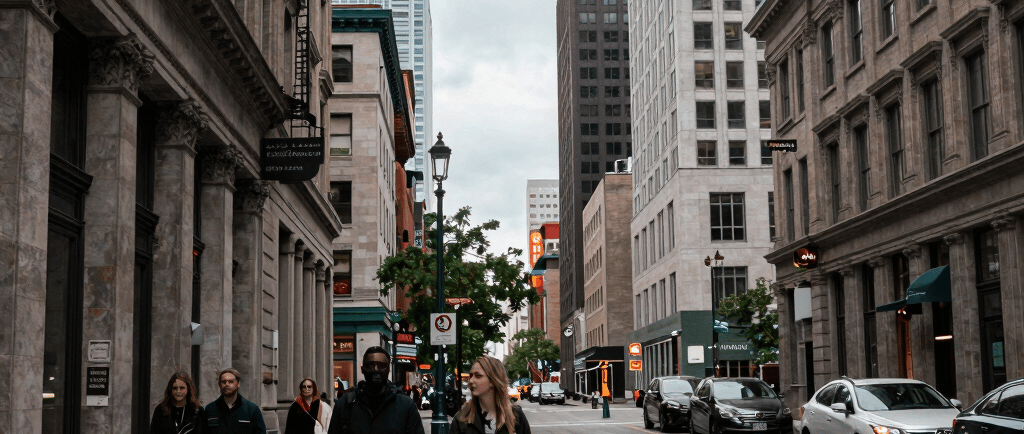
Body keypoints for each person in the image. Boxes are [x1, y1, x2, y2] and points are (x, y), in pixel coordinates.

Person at [327, 347, 424, 434]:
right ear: (362, 369)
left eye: (381, 365)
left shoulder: (406, 406)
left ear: (388, 369)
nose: (376, 369)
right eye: (370, 365)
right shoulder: (345, 405)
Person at [450, 356, 531, 434]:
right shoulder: (462, 418)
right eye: (471, 376)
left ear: (493, 380)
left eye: (478, 376)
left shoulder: (516, 416)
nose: (471, 380)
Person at [204, 368, 267, 434]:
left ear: (238, 384)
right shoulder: (210, 409)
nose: (227, 384)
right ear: (219, 384)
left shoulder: (252, 409)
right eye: (223, 382)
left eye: (231, 382)